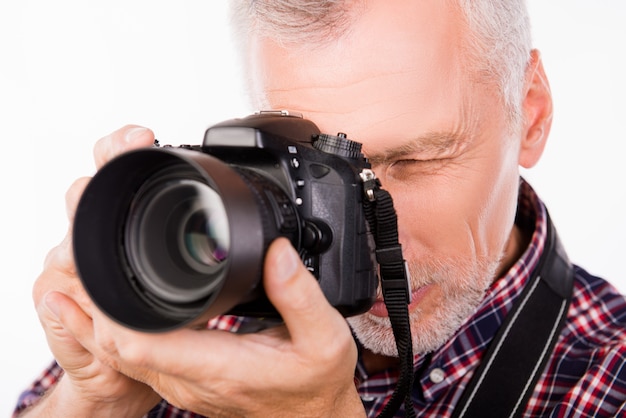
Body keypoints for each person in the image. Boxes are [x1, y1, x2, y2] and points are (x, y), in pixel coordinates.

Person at [13, 0, 626, 417]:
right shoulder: (193, 314)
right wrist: (93, 400)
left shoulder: (610, 383)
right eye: (315, 168)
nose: (370, 233)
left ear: (533, 112)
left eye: (415, 163)